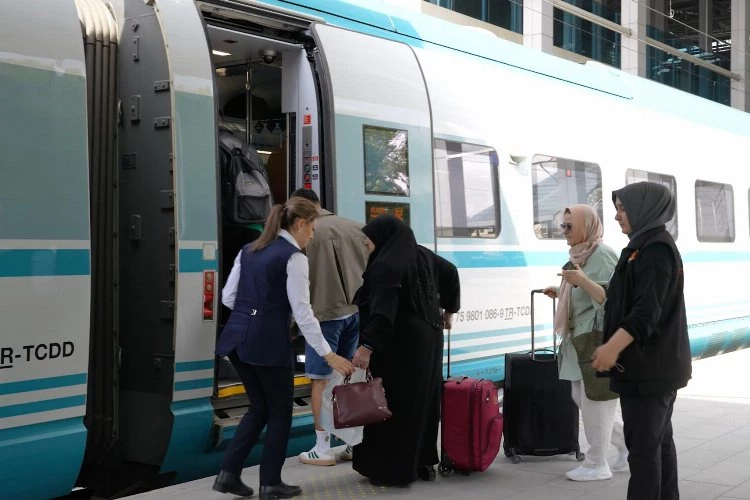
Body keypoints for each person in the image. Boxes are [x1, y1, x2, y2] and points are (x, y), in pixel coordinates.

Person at [212, 197, 355, 499]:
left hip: (237, 339)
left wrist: (253, 315)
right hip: (268, 344)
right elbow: (303, 313)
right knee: (279, 412)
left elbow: (228, 297)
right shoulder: (294, 258)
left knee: (258, 408)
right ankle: (270, 483)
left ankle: (228, 474)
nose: (312, 236)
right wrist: (329, 354)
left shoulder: (249, 250)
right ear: (300, 224)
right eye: (312, 229)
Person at [592, 182, 692, 500]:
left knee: (644, 451)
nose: (617, 216)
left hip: (650, 371)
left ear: (644, 209)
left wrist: (611, 347)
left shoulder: (655, 250)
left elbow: (647, 312)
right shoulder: (643, 246)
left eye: (623, 209)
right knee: (658, 444)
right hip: (650, 369)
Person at [351, 215, 460, 487]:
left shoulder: (385, 266)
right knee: (424, 402)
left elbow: (383, 315)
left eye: (369, 239)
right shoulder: (423, 255)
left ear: (384, 238)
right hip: (429, 340)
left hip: (400, 346)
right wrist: (449, 311)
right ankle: (423, 463)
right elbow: (451, 272)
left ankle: (392, 470)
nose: (366, 244)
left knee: (392, 405)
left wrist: (366, 347)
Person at [543, 204, 627, 482]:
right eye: (563, 225)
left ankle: (597, 464)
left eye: (570, 226)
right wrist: (561, 292)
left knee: (596, 403)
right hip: (578, 338)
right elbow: (582, 291)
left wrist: (581, 280)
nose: (564, 231)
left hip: (595, 338)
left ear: (586, 226)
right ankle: (628, 444)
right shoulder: (581, 253)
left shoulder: (602, 254)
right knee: (582, 398)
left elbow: (611, 298)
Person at [288, 189, 369, 466]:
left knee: (320, 380)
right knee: (347, 377)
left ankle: (321, 448)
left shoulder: (303, 232)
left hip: (323, 316)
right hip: (354, 312)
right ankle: (352, 444)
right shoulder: (355, 227)